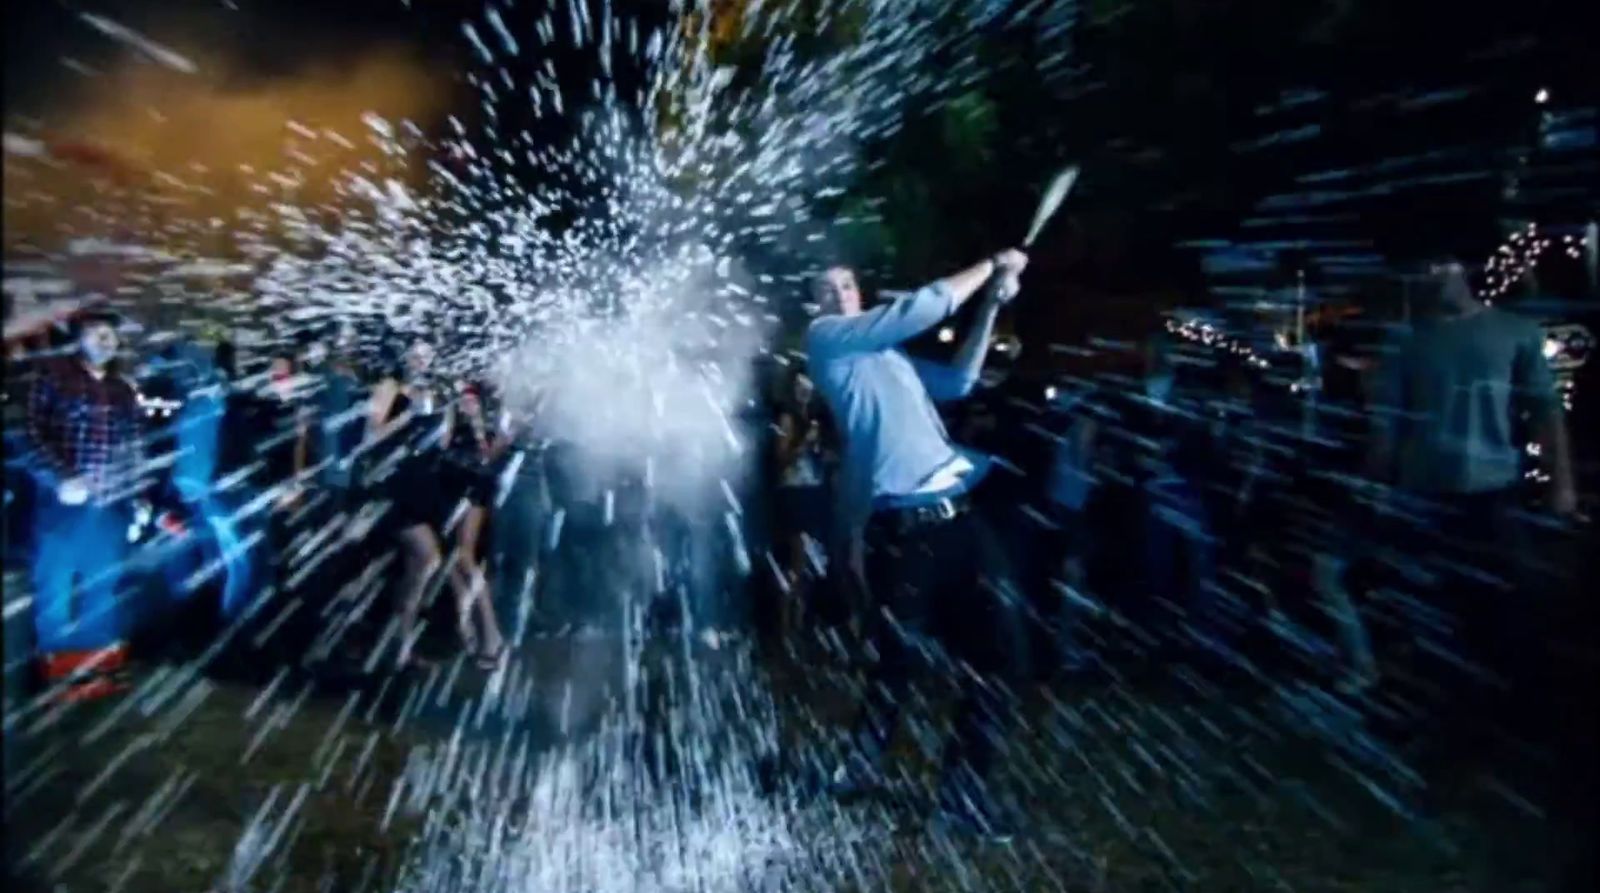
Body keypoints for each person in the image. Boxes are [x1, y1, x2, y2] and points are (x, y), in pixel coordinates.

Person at [805, 250, 1032, 838]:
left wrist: (990, 307)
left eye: (847, 284)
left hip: (960, 519)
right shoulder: (828, 340)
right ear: (818, 306)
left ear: (859, 290)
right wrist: (989, 265)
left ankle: (962, 797)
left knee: (1002, 655)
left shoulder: (890, 356)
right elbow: (920, 307)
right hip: (903, 532)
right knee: (898, 660)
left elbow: (959, 381)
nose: (840, 295)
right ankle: (857, 768)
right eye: (827, 290)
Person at [1367, 257, 1577, 768]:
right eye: (1427, 266)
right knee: (1429, 610)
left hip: (1492, 493)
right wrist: (1374, 487)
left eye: (1443, 264)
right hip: (1425, 496)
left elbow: (1545, 410)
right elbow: (1386, 426)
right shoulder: (1407, 341)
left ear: (1463, 268)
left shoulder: (1513, 332)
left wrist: (1562, 484)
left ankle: (1501, 725)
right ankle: (1440, 724)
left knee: (1507, 608)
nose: (1433, 274)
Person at [25, 311, 146, 700]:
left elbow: (133, 449)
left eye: (110, 334)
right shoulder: (53, 377)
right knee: (56, 586)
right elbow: (26, 433)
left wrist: (139, 498)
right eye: (96, 334)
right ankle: (58, 673)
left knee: (103, 588)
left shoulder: (122, 390)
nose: (105, 341)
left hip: (110, 508)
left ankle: (101, 670)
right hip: (62, 507)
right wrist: (60, 477)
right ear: (79, 339)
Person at [366, 339, 480, 670]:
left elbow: (440, 443)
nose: (420, 360)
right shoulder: (390, 386)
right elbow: (372, 434)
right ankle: (412, 640)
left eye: (426, 355)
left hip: (424, 489)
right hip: (395, 488)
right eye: (415, 354)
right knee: (429, 559)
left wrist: (451, 413)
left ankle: (401, 645)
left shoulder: (433, 393)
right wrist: (403, 421)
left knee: (420, 567)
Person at [440, 381, 510, 667]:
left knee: (463, 556)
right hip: (455, 479)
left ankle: (490, 634)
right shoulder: (479, 392)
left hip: (467, 482)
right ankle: (467, 628)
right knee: (449, 558)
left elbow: (489, 445)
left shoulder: (472, 392)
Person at [771, 372, 832, 636]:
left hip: (812, 493)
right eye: (799, 386)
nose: (805, 390)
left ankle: (798, 620)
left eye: (809, 385)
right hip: (793, 494)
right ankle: (786, 624)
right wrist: (803, 444)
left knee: (809, 563)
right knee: (798, 559)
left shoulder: (815, 420)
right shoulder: (787, 417)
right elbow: (781, 459)